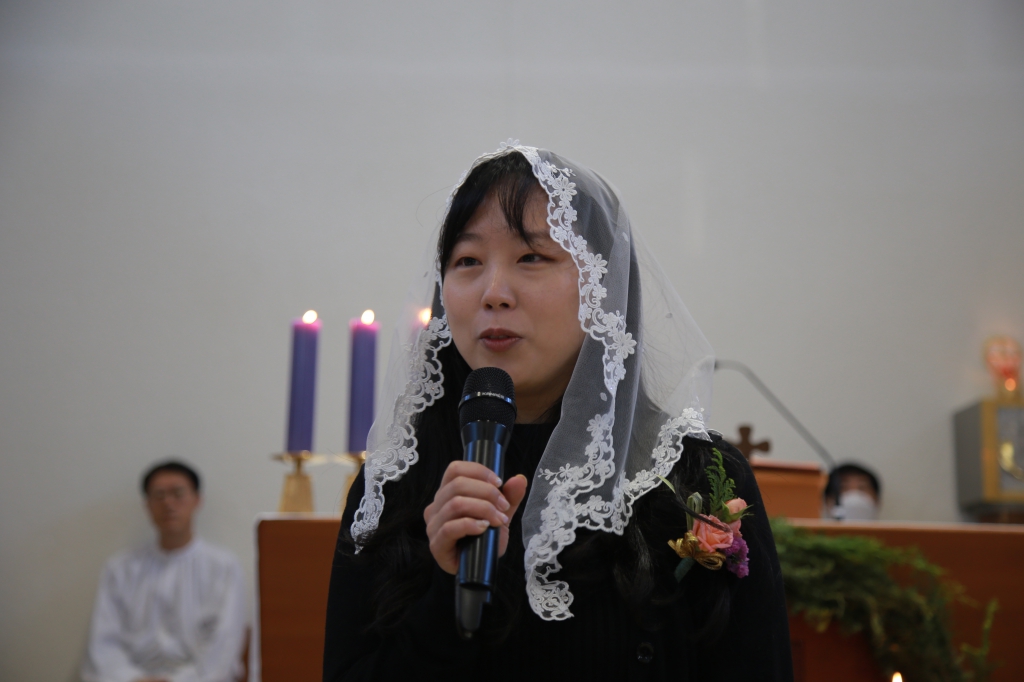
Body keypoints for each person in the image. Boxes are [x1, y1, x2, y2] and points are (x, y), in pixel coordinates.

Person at [324, 142, 793, 680]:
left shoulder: (695, 479)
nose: (493, 293)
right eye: (467, 261)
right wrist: (446, 590)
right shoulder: (391, 489)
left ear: (603, 287)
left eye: (532, 257)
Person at [81, 460, 247, 682]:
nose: (168, 503)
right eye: (159, 495)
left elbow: (224, 645)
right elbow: (103, 642)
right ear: (147, 505)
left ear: (197, 500)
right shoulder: (120, 569)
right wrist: (133, 678)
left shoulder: (224, 567)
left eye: (178, 494)